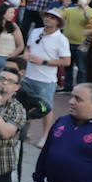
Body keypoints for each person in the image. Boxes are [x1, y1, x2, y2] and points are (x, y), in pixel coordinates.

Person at [23, 8, 72, 146]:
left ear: (58, 22)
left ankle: (45, 136)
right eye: (47, 16)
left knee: (46, 108)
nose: (48, 18)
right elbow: (28, 47)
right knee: (25, 105)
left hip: (46, 80)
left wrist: (44, 61)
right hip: (29, 75)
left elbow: (66, 61)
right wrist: (26, 54)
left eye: (52, 17)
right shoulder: (35, 31)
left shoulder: (61, 39)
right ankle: (25, 132)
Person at [58, 0, 92, 92]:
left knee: (82, 69)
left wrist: (84, 7)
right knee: (68, 67)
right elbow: (58, 15)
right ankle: (67, 87)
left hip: (82, 44)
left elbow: (90, 21)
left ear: (89, 0)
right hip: (67, 42)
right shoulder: (70, 10)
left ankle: (80, 90)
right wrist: (64, 5)